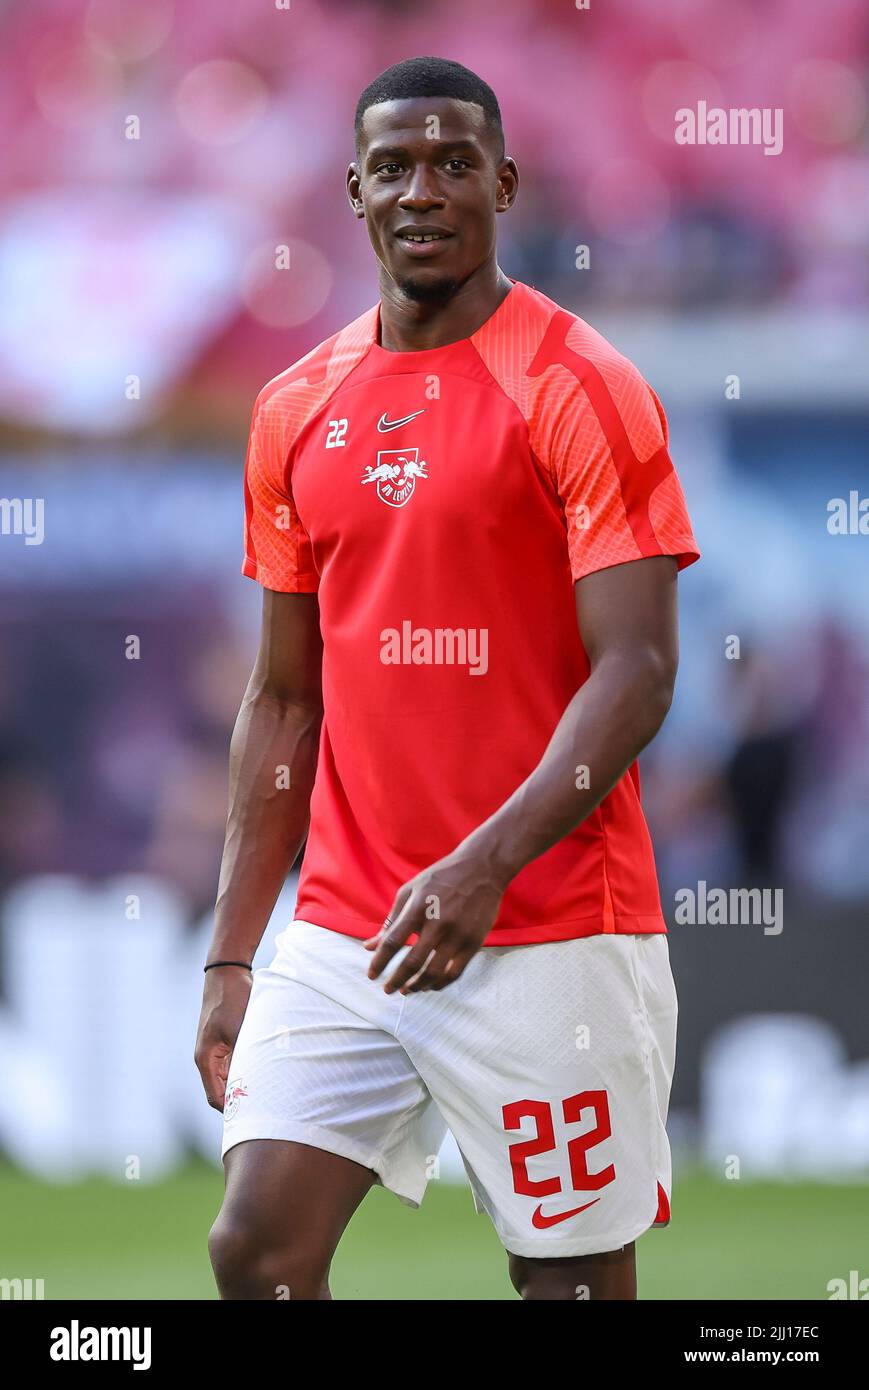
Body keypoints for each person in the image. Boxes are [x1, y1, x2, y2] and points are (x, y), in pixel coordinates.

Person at [195, 54, 700, 1301]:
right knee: (255, 1250)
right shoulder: (293, 407)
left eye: (453, 163)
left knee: (569, 1284)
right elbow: (283, 700)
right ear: (354, 194)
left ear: (504, 183)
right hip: (346, 929)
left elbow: (635, 671)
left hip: (548, 927)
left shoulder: (582, 386)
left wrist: (485, 863)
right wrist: (229, 954)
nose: (423, 189)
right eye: (394, 167)